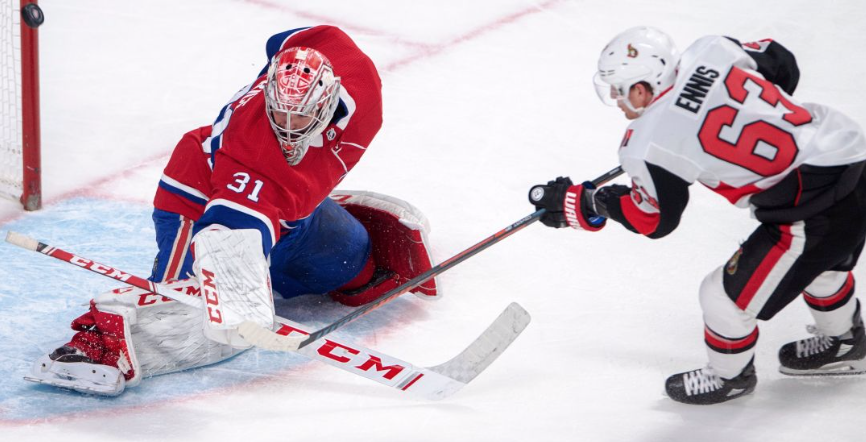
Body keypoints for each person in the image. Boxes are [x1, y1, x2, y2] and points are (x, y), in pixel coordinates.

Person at [26, 25, 439, 396]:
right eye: (279, 111)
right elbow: (230, 231)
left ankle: (292, 259)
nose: (288, 126)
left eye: (300, 114)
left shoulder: (355, 75)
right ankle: (95, 345)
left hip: (291, 210)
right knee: (185, 306)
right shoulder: (252, 145)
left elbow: (289, 40)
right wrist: (231, 292)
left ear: (328, 96)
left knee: (359, 271)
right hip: (200, 194)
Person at [528, 26, 866, 405]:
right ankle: (845, 342)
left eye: (618, 88)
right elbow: (782, 61)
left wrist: (589, 203)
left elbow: (654, 220)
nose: (614, 97)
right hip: (849, 155)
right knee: (823, 266)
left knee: (721, 299)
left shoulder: (649, 144)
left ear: (642, 88)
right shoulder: (712, 50)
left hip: (814, 210)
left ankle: (729, 376)